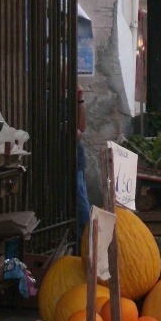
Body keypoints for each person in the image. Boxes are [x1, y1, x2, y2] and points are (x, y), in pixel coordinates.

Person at [76, 83, 90, 238]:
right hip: (61, 161)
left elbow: (82, 128)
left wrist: (80, 101)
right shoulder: (49, 100)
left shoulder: (72, 100)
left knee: (82, 206)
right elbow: (77, 133)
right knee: (82, 211)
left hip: (77, 161)